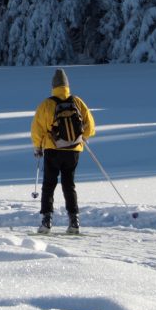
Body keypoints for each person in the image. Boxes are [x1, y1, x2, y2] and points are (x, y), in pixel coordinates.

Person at [30, 68, 95, 234]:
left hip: (53, 150)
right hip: (73, 150)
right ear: (67, 86)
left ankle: (47, 221)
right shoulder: (77, 102)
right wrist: (82, 138)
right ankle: (74, 221)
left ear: (53, 86)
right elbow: (90, 126)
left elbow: (37, 129)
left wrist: (38, 147)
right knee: (69, 184)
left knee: (49, 185)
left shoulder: (46, 104)